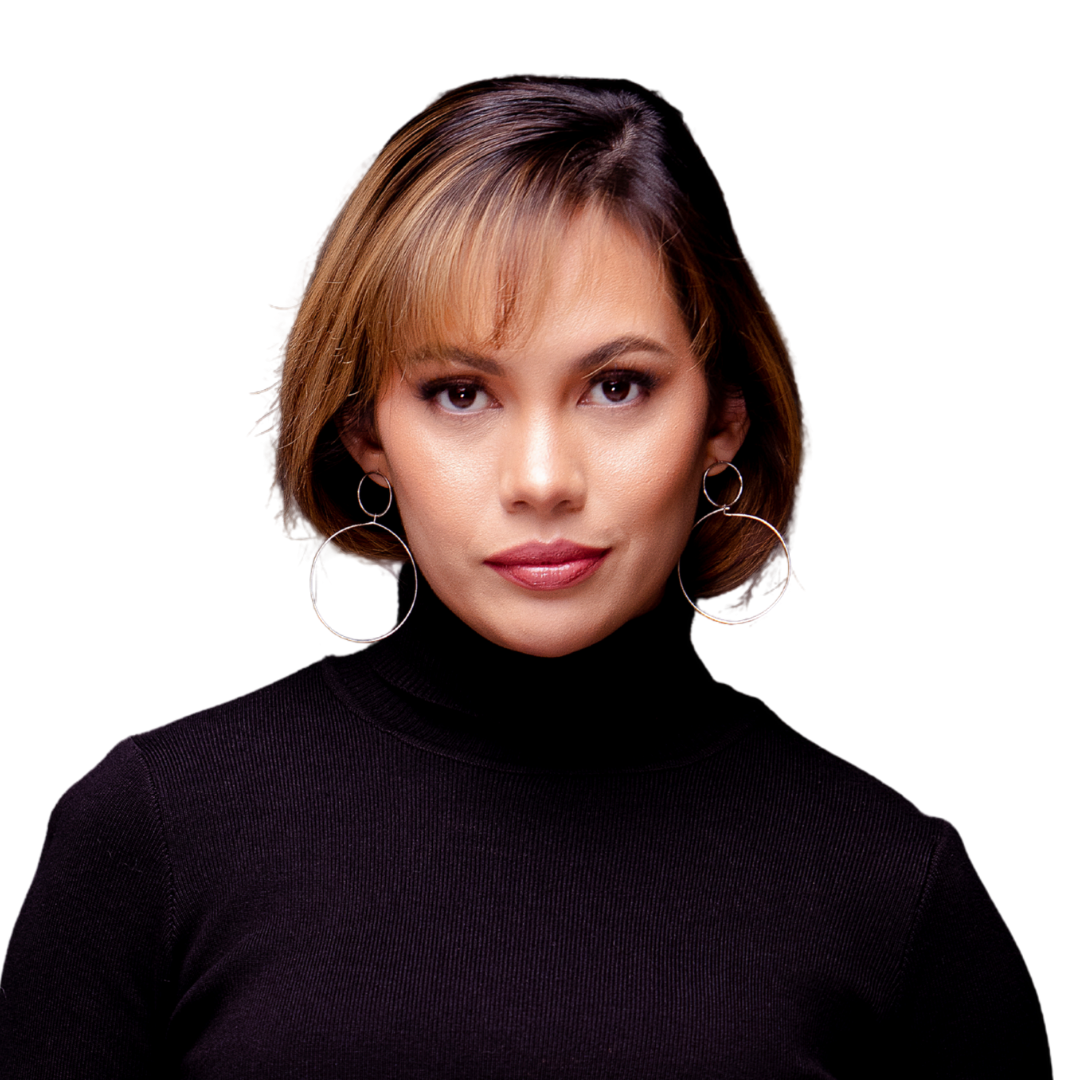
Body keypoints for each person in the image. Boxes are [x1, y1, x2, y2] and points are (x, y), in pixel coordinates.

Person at [0, 76, 1051, 1077]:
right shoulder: (153, 841)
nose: (542, 479)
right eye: (461, 393)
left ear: (723, 421)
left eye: (617, 386)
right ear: (368, 434)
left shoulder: (895, 900)